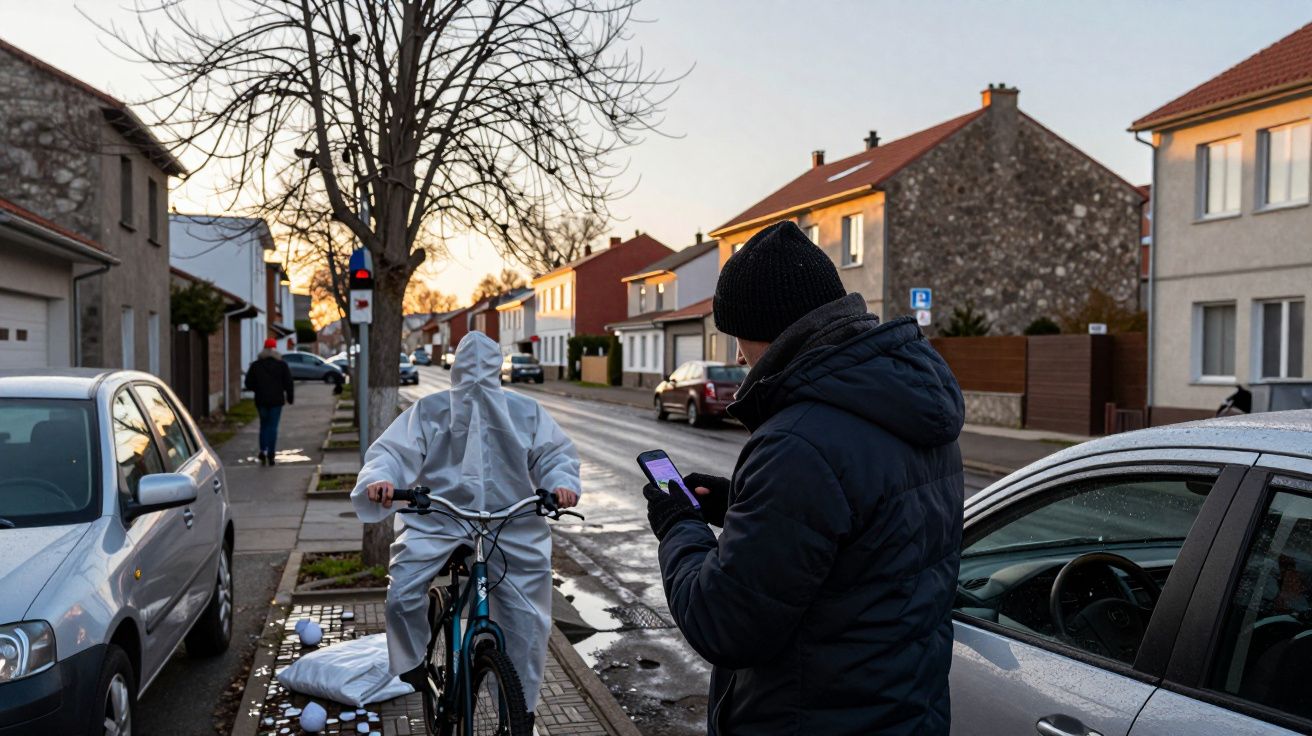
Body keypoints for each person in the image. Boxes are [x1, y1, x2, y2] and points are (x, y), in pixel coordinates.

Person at [643, 221, 966, 735]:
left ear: (770, 330)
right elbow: (870, 538)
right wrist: (741, 505)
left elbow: (723, 623)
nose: (738, 357)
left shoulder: (797, 443)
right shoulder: (917, 410)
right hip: (908, 712)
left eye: (739, 338)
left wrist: (679, 525)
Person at [352, 332, 580, 724]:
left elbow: (554, 453)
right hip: (439, 519)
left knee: (529, 616)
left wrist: (561, 484)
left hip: (511, 523)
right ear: (458, 371)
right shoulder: (431, 411)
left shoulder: (525, 412)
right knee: (403, 591)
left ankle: (516, 703)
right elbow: (392, 452)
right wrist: (382, 480)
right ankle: (413, 661)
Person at [244, 337, 295, 466]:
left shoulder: (256, 365)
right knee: (273, 427)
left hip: (261, 400)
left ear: (264, 348)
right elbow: (288, 382)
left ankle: (263, 450)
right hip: (276, 401)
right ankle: (271, 454)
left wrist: (258, 388)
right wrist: (290, 397)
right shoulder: (281, 365)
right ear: (275, 349)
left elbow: (248, 383)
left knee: (264, 426)